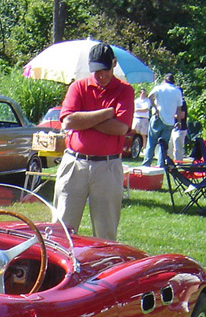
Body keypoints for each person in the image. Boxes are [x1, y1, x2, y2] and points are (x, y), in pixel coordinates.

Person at [51, 42, 133, 241]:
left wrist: (84, 120)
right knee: (61, 228)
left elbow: (120, 128)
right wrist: (105, 114)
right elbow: (69, 121)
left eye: (105, 70)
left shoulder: (124, 91)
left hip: (108, 166)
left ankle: (104, 270)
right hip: (74, 164)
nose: (100, 75)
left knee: (105, 231)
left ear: (113, 64)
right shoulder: (78, 87)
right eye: (96, 71)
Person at [140, 74, 183, 166]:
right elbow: (179, 108)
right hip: (169, 121)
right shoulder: (177, 91)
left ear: (164, 80)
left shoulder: (159, 88)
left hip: (157, 118)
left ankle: (146, 164)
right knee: (163, 146)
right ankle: (161, 165)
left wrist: (155, 107)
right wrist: (178, 122)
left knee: (151, 143)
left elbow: (150, 96)